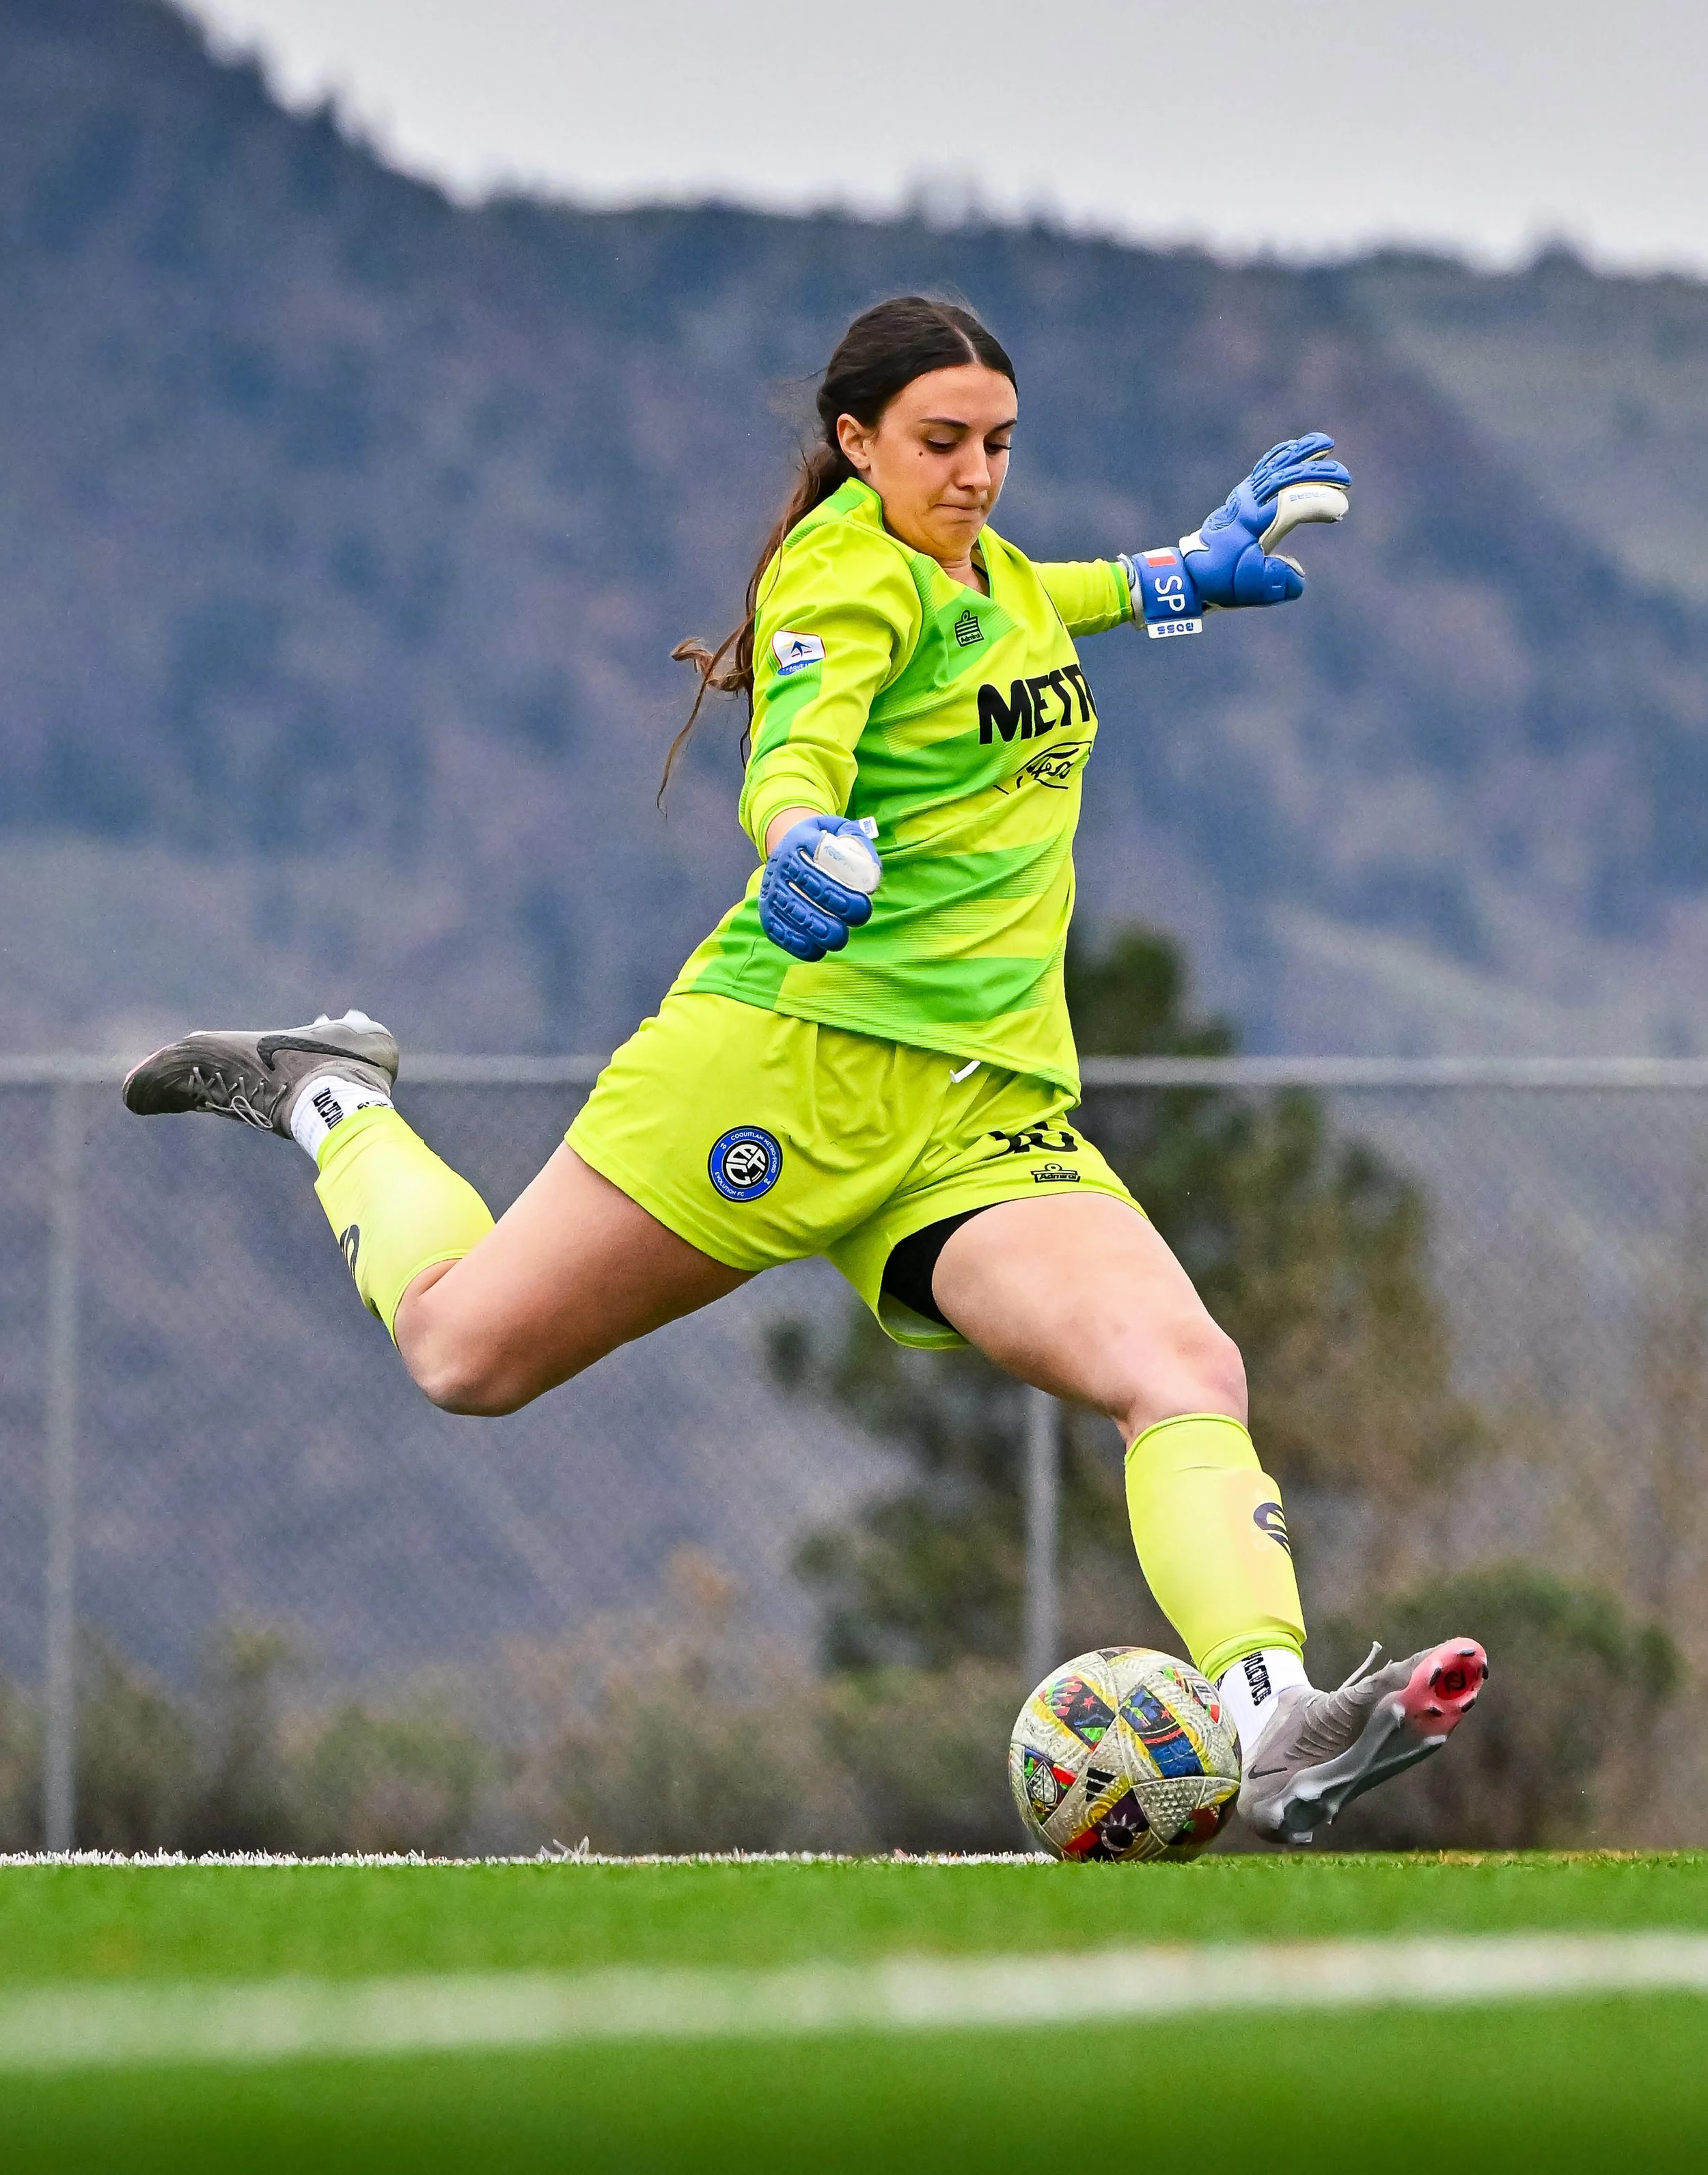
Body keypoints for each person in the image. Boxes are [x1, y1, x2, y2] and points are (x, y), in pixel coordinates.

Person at [124, 295, 1485, 1846]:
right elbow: (799, 739)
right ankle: (332, 1095)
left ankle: (1270, 1715)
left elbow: (1045, 602)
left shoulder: (984, 570)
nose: (976, 473)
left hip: (976, 1115)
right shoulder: (840, 575)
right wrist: (796, 836)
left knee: (1184, 1371)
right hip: (781, 1074)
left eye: (999, 443)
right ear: (855, 440)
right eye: (940, 442)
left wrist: (1177, 574)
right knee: (463, 1354)